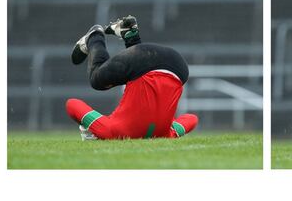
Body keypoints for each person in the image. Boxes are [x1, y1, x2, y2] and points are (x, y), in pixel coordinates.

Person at [66, 15, 198, 140]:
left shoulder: (167, 133)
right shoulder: (113, 133)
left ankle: (127, 34)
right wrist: (90, 124)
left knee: (129, 76)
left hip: (177, 66)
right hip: (150, 61)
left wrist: (168, 125)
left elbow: (192, 119)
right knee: (96, 79)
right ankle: (95, 37)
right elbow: (72, 104)